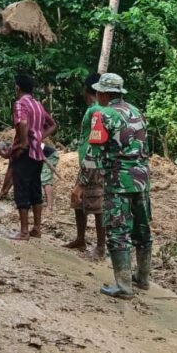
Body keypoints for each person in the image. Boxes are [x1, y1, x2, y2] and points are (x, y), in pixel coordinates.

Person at [82, 73, 151, 298]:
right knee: (142, 228)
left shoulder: (103, 115)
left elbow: (93, 154)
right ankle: (142, 278)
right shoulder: (136, 111)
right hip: (141, 179)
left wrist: (83, 181)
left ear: (103, 93)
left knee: (118, 231)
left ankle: (123, 286)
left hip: (118, 181)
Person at [8, 74, 57, 241]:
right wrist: (39, 137)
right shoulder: (37, 104)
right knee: (35, 188)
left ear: (18, 88)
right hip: (38, 152)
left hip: (26, 151)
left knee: (21, 188)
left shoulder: (20, 103)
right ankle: (37, 228)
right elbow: (52, 124)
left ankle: (23, 231)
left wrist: (23, 142)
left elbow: (22, 123)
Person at [66, 73, 106, 259]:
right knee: (78, 201)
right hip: (86, 163)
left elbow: (95, 142)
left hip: (93, 164)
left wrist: (88, 167)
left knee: (97, 204)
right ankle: (80, 238)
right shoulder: (93, 109)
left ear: (86, 89)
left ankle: (100, 246)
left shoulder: (96, 111)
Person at [40, 143, 59, 209]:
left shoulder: (33, 141)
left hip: (50, 156)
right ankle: (47, 202)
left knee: (46, 180)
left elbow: (41, 154)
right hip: (46, 156)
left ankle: (49, 206)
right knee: (43, 178)